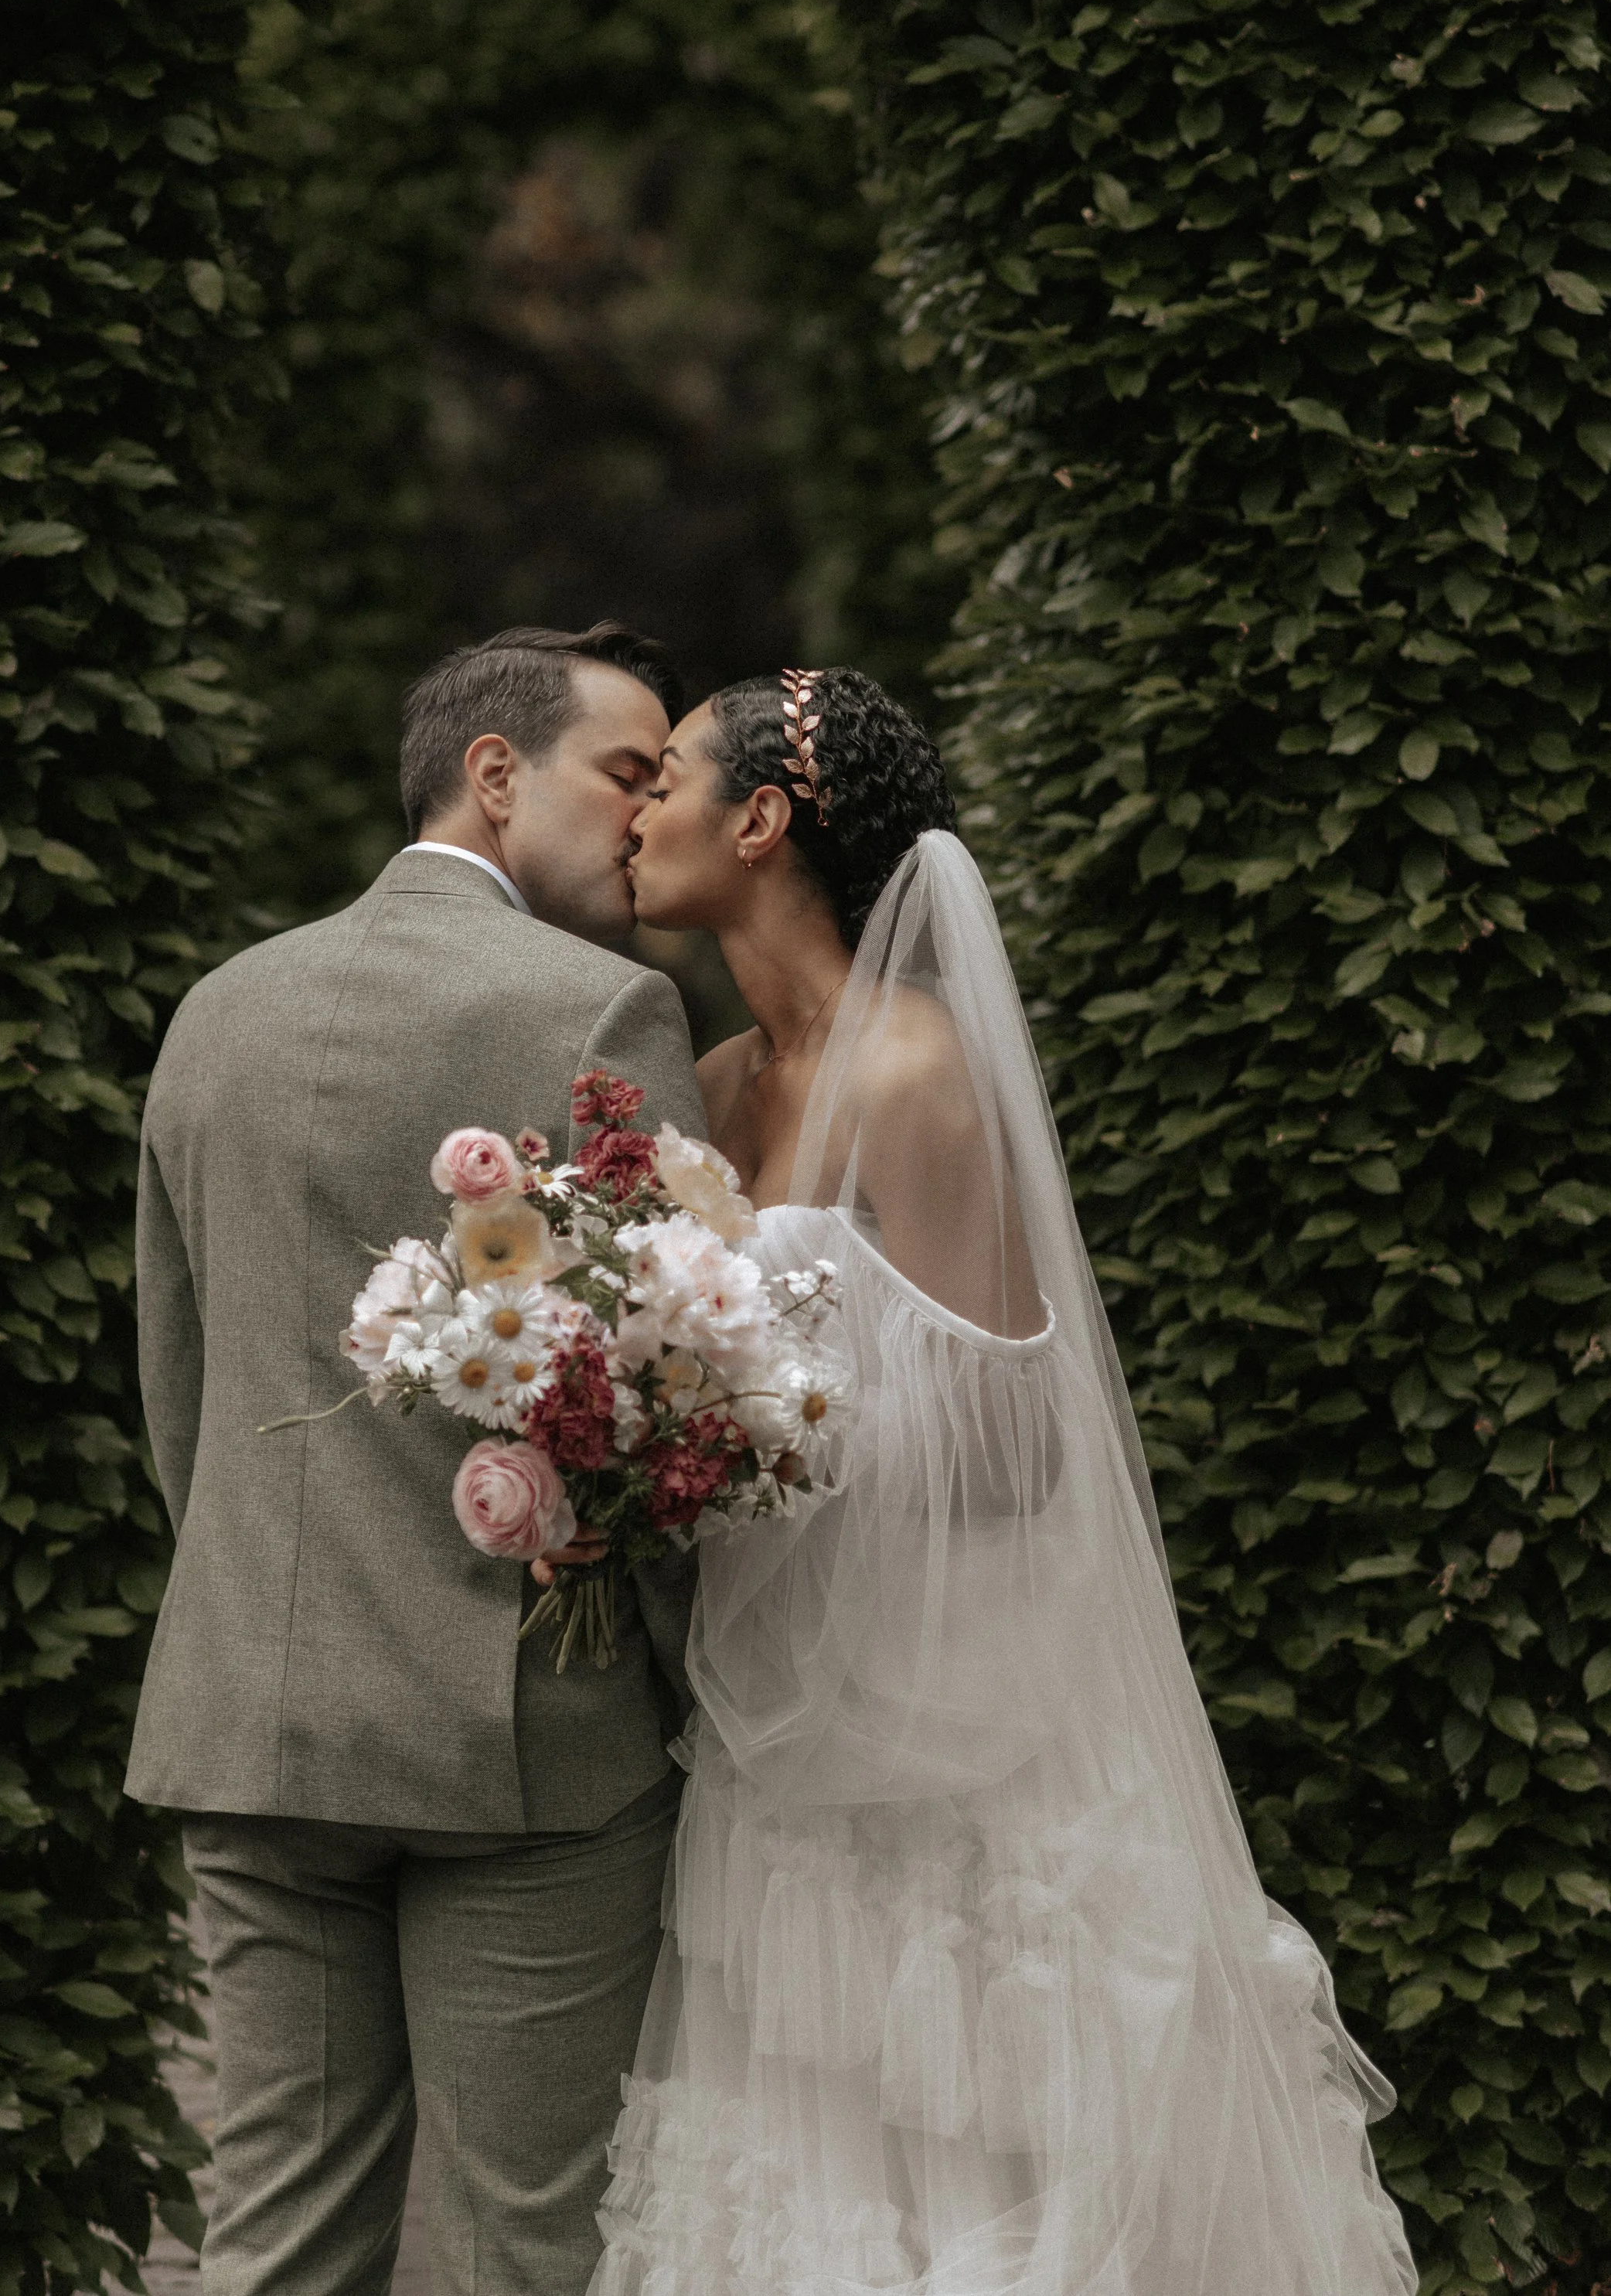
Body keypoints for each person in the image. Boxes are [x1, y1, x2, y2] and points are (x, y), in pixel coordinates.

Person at [593, 667, 1417, 2296]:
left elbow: (1016, 1445)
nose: (633, 808)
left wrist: (771, 1428)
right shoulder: (718, 1082)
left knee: (982, 2150)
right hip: (771, 1702)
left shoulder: (909, 1073)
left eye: (665, 774)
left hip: (939, 1713)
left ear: (759, 822)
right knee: (804, 2147)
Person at [125, 622, 709, 2296]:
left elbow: (185, 1389)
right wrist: (675, 1695)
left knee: (278, 2244)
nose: (640, 818)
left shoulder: (216, 1011)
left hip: (252, 1715)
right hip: (523, 1743)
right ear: (494, 771)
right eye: (624, 771)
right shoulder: (602, 1006)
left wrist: (252, 1615)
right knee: (530, 2242)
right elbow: (658, 1402)